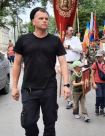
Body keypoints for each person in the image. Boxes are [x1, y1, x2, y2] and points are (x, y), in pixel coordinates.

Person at [11, 7, 70, 136]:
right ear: (33, 21)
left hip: (49, 88)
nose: (45, 21)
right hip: (29, 89)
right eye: (41, 18)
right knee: (28, 122)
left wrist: (66, 84)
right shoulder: (23, 40)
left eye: (46, 19)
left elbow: (63, 63)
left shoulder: (55, 41)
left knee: (50, 123)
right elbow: (16, 64)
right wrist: (14, 86)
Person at [56, 25, 83, 109]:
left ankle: (76, 98)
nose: (72, 32)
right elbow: (58, 53)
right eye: (70, 30)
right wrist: (58, 65)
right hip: (66, 64)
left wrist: (68, 47)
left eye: (72, 30)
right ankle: (70, 101)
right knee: (68, 82)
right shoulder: (61, 40)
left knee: (76, 81)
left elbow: (80, 49)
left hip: (76, 63)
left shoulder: (76, 39)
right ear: (66, 31)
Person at [91, 50, 105, 116]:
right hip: (97, 82)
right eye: (98, 56)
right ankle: (97, 106)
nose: (99, 58)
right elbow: (92, 74)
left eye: (100, 56)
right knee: (99, 96)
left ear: (104, 56)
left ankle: (102, 109)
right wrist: (94, 83)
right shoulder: (95, 64)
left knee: (104, 96)